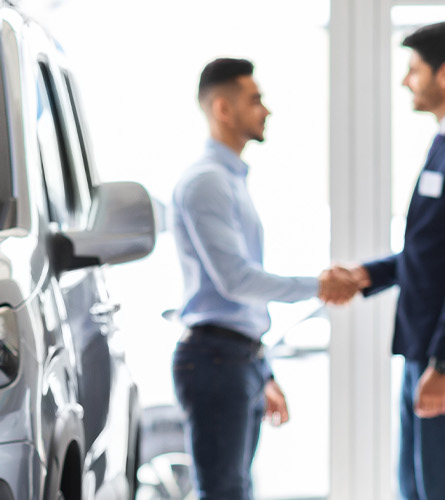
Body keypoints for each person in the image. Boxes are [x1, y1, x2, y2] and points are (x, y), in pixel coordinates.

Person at [323, 22, 445, 500]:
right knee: (418, 483)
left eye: (414, 70)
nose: (406, 80)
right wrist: (368, 275)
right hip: (427, 344)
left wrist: (444, 360)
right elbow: (431, 249)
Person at [172, 57, 360, 500]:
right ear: (222, 109)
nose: (266, 110)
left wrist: (263, 370)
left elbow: (239, 300)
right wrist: (319, 285)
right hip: (216, 359)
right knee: (224, 493)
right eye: (254, 100)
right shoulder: (207, 183)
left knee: (236, 490)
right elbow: (236, 281)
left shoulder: (229, 180)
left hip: (235, 359)